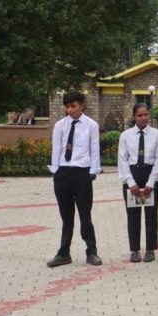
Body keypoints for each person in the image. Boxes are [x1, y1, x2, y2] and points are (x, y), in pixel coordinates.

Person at [47, 90, 102, 268]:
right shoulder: (60, 125)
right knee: (66, 217)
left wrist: (93, 171)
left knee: (85, 216)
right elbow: (56, 148)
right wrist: (56, 171)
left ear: (82, 105)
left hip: (81, 173)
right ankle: (63, 254)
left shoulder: (91, 125)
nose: (69, 110)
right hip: (63, 173)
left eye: (73, 106)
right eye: (67, 106)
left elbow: (95, 149)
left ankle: (91, 252)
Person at [117, 103, 158, 263]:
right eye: (139, 115)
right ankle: (134, 250)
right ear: (134, 116)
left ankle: (150, 249)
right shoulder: (126, 135)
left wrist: (151, 182)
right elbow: (122, 159)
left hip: (151, 175)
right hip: (133, 175)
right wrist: (130, 182)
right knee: (133, 216)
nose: (143, 118)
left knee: (151, 214)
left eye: (145, 115)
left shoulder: (157, 134)